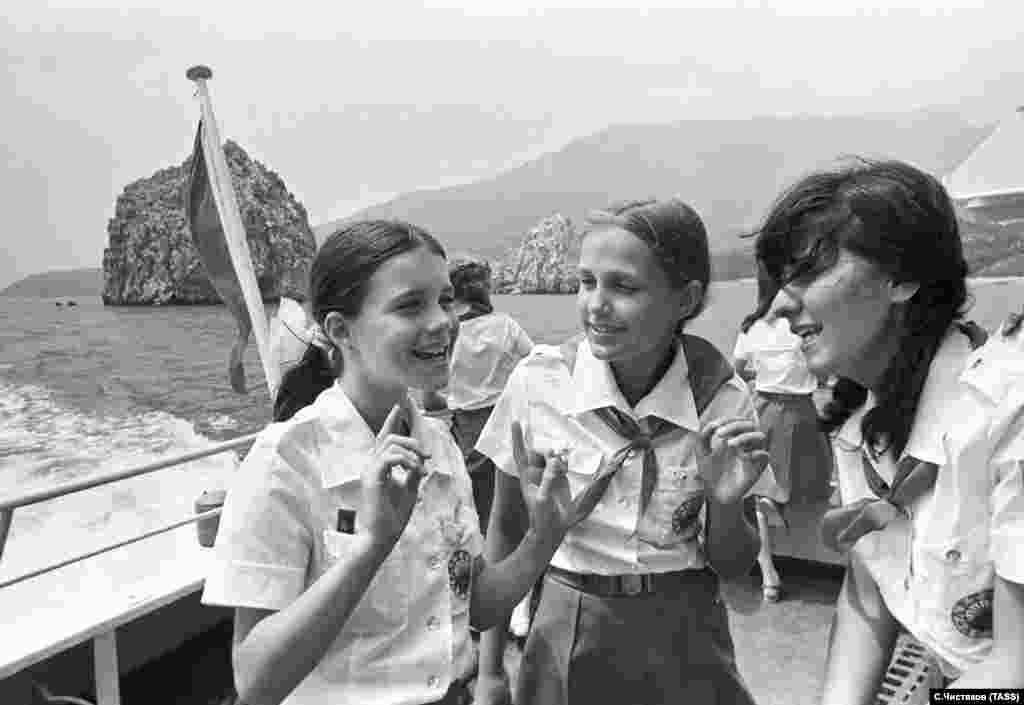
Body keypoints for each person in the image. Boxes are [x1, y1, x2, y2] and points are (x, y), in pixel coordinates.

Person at [202, 220, 604, 705]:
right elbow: (255, 681)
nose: (442, 321)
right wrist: (371, 546)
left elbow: (473, 602)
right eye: (410, 305)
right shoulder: (284, 461)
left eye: (445, 299)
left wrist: (545, 536)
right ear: (339, 330)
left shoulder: (439, 444)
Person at [473, 198, 770, 705]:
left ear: (685, 298)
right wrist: (490, 670)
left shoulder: (722, 398)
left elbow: (734, 564)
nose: (596, 304)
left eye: (624, 286)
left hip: (685, 623)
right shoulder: (540, 384)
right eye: (587, 282)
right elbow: (505, 529)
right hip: (568, 617)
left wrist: (723, 504)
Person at [752, 158, 1024, 702]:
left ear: (901, 279)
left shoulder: (1008, 416)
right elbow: (870, 589)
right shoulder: (860, 418)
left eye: (807, 272)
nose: (779, 305)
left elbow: (1016, 667)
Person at [443, 257, 536, 641]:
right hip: (507, 424)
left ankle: (477, 606)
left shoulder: (448, 336)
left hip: (465, 432)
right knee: (515, 517)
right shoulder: (505, 326)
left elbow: (433, 390)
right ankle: (519, 609)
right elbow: (534, 362)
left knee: (477, 519)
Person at [732, 263, 834, 602]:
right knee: (809, 487)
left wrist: (763, 377)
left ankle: (768, 576)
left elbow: (736, 373)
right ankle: (777, 568)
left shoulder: (752, 327)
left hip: (762, 411)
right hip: (801, 414)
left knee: (756, 493)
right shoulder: (806, 326)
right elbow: (825, 372)